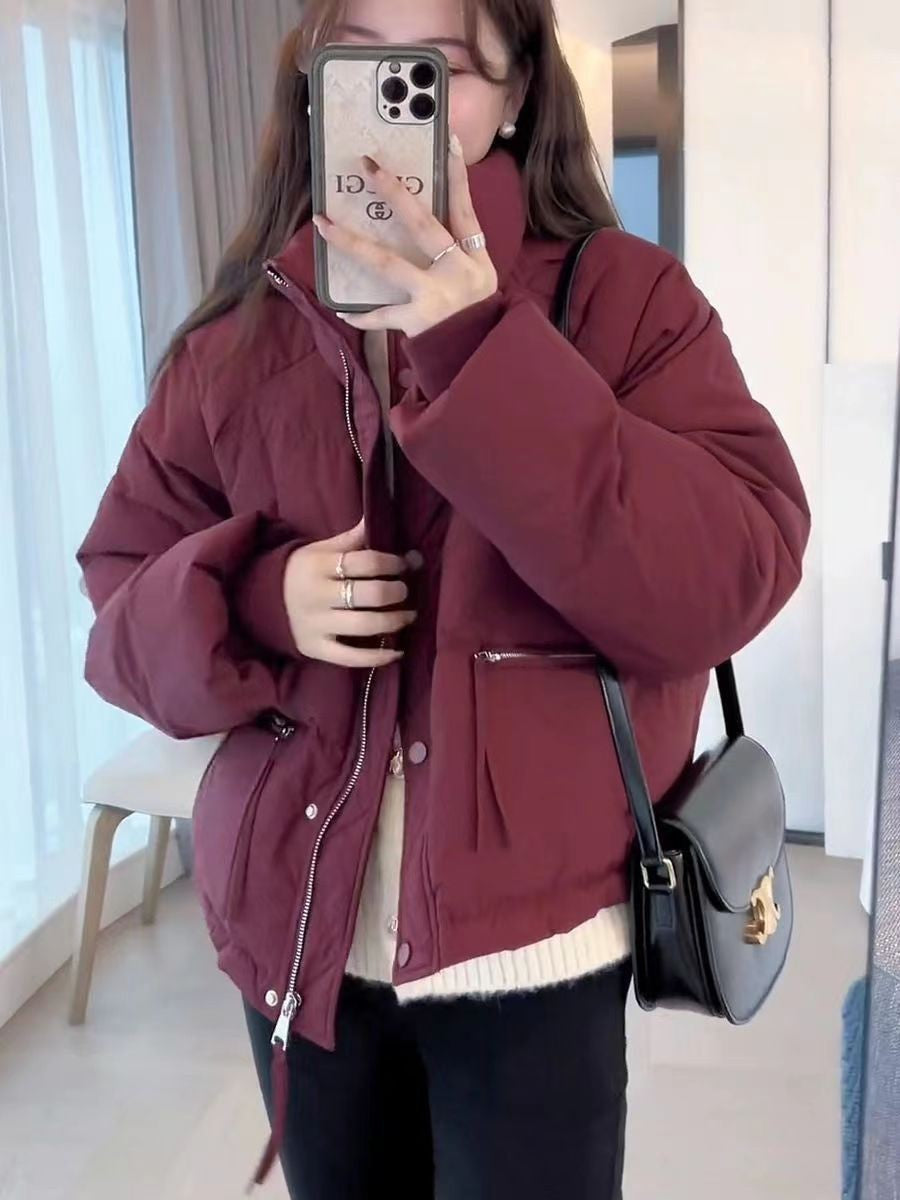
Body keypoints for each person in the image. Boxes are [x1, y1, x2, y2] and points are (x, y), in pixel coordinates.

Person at [77, 0, 811, 1196]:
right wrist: (256, 599)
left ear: (516, 97)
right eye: (358, 62)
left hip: (534, 953)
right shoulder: (241, 336)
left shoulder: (627, 301)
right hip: (301, 941)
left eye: (440, 70)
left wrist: (478, 344)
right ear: (314, 84)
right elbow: (118, 607)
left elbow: (730, 574)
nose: (392, 103)